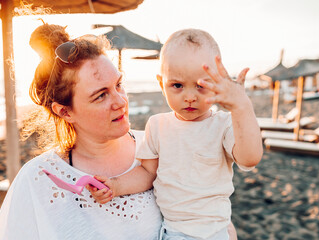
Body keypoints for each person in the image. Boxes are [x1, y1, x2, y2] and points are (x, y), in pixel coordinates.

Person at [0, 23, 163, 240]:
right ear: (65, 111)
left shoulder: (159, 148)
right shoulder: (38, 179)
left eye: (119, 85)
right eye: (101, 95)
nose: (121, 101)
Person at [89, 29, 263, 240]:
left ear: (217, 84)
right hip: (171, 231)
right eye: (177, 85)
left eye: (201, 86)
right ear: (162, 84)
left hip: (214, 231)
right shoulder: (157, 125)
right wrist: (116, 185)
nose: (189, 97)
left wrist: (241, 107)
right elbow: (147, 173)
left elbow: (250, 158)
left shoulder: (223, 124)